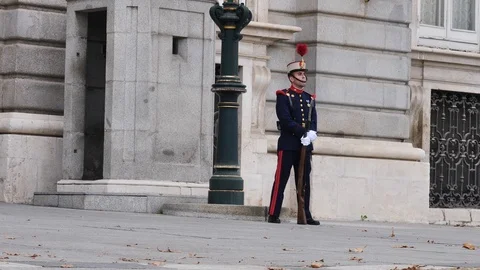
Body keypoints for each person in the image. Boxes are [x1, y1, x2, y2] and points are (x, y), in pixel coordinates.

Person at [267, 44, 320, 225]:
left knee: (304, 181)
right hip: (289, 143)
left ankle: (305, 214)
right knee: (281, 180)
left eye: (304, 74)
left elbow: (313, 118)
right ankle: (273, 213)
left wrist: (312, 133)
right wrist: (302, 132)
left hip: (305, 145)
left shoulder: (309, 98)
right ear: (291, 77)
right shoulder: (283, 95)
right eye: (299, 74)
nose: (303, 76)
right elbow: (285, 120)